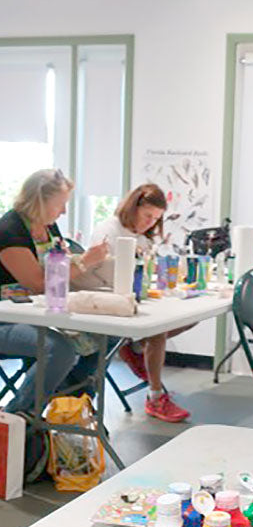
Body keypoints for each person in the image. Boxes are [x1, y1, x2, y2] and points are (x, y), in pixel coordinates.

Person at [0, 168, 110, 414]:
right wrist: (85, 262)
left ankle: (71, 399)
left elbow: (61, 270)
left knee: (103, 336)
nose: (64, 211)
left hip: (38, 312)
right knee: (59, 350)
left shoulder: (49, 228)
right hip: (7, 318)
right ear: (40, 201)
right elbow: (39, 283)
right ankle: (18, 418)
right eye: (60, 204)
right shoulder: (9, 230)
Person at [90, 183, 194, 423]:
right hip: (107, 301)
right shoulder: (108, 230)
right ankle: (155, 397)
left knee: (190, 317)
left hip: (133, 298)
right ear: (133, 207)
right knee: (158, 327)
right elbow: (107, 275)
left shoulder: (142, 238)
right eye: (147, 215)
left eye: (156, 219)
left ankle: (135, 347)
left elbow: (146, 274)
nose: (150, 223)